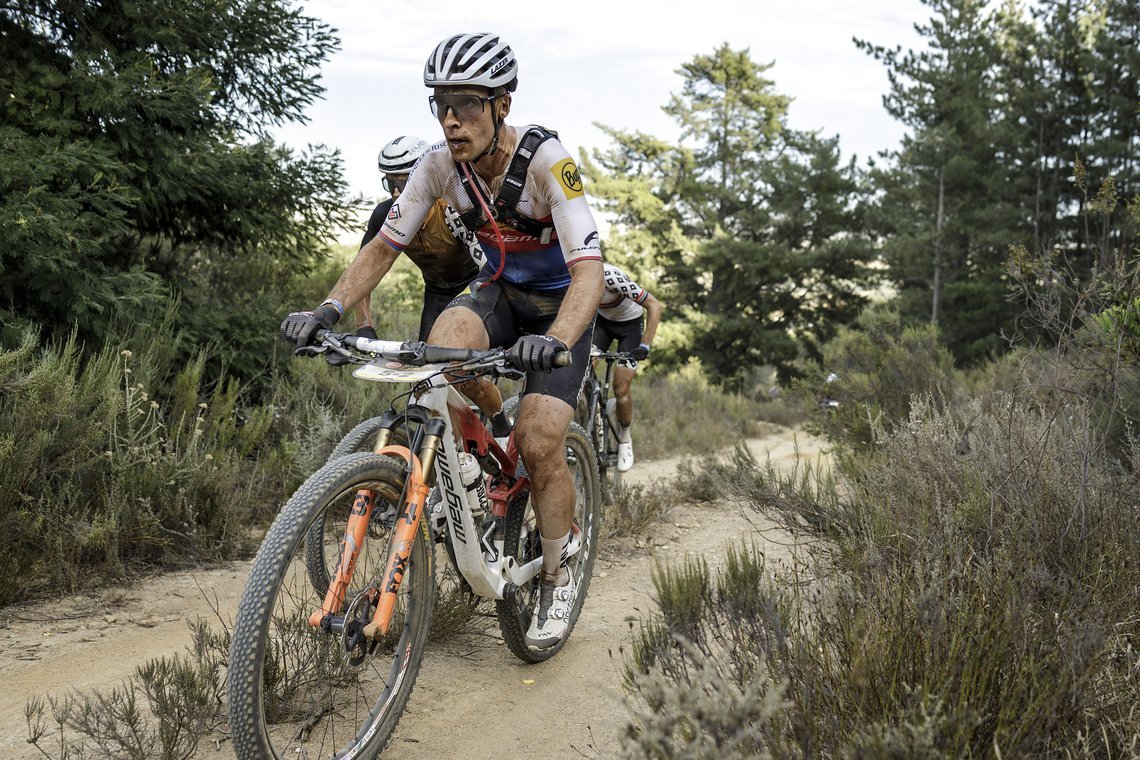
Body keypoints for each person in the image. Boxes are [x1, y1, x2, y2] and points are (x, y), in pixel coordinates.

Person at [281, 33, 605, 650]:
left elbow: (588, 267)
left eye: (468, 104)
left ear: (502, 105)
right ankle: (479, 461)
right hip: (502, 292)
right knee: (444, 343)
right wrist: (327, 308)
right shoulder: (437, 166)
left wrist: (558, 339)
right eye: (441, 105)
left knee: (540, 444)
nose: (453, 120)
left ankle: (560, 572)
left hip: (563, 305)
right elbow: (383, 245)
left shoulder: (546, 160)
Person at [354, 135, 485, 343]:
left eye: (402, 182)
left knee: (465, 363)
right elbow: (363, 270)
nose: (396, 192)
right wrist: (364, 326)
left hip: (471, 287)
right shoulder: (385, 215)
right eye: (390, 183)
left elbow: (489, 268)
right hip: (435, 292)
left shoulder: (453, 209)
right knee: (427, 366)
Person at [592, 262, 662, 472]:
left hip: (629, 327)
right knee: (580, 367)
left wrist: (645, 345)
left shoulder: (612, 277)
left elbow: (654, 305)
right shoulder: (574, 277)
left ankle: (624, 437)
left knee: (621, 387)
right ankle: (588, 410)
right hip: (602, 324)